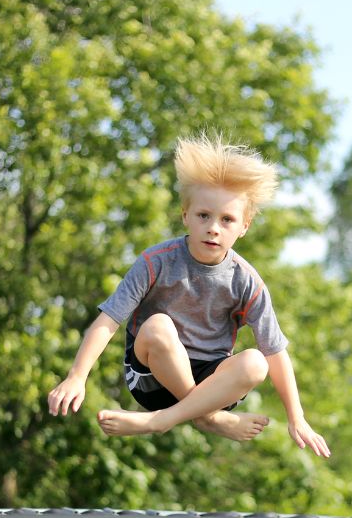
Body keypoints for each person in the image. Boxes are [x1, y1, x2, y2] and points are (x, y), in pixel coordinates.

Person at [47, 134, 330, 458]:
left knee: (255, 362)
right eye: (203, 216)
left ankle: (163, 421)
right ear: (185, 215)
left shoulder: (247, 281)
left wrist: (298, 417)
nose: (213, 228)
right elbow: (109, 319)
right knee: (158, 325)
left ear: (244, 226)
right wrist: (76, 376)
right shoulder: (157, 261)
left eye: (227, 220)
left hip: (213, 385)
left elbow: (275, 352)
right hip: (152, 380)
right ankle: (208, 419)